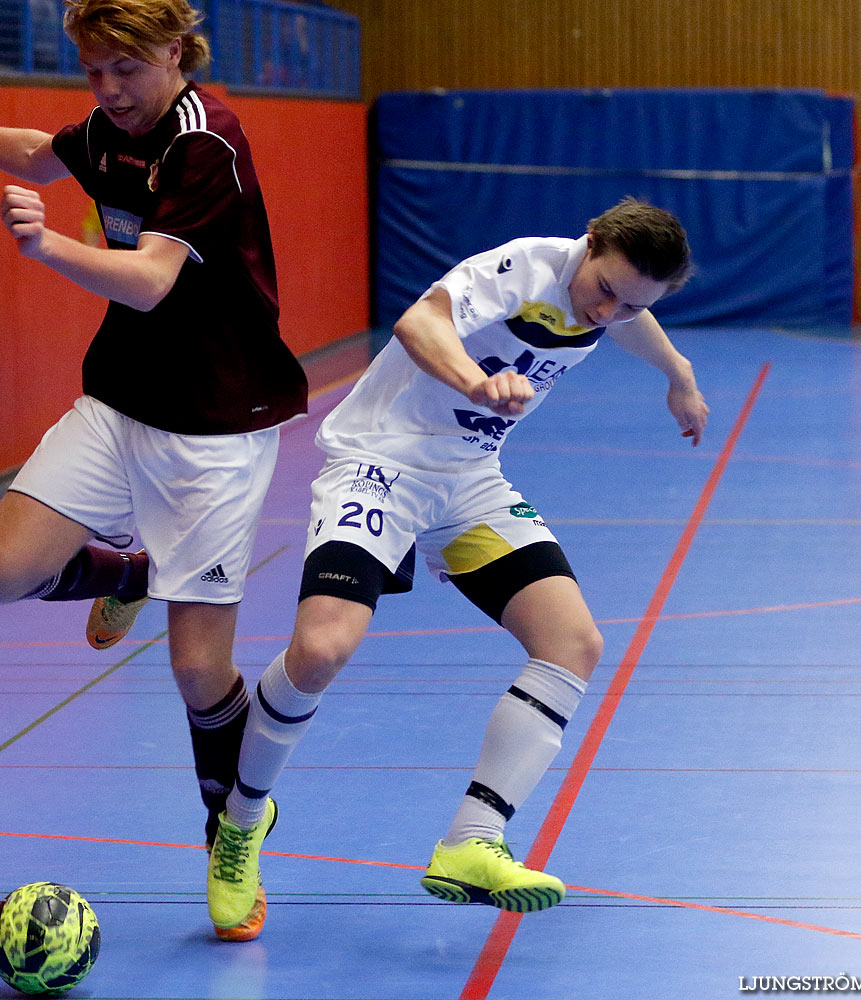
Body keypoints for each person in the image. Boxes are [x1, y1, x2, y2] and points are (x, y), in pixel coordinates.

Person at [0, 0, 307, 942]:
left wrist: (46, 247)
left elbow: (154, 280)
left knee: (199, 669)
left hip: (215, 429)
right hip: (121, 402)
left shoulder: (205, 143)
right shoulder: (111, 126)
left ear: (174, 51)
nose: (107, 90)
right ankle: (128, 571)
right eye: (91, 71)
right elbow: (39, 152)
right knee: (1, 573)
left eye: (124, 69)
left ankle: (232, 829)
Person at [204, 198, 709, 931]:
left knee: (573, 643)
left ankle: (471, 841)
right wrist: (476, 383)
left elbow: (632, 317)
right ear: (588, 242)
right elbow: (419, 323)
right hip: (379, 463)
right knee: (320, 650)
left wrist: (678, 373)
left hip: (467, 480)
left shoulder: (617, 301)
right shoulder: (524, 268)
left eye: (631, 303)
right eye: (605, 289)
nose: (609, 311)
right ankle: (241, 822)